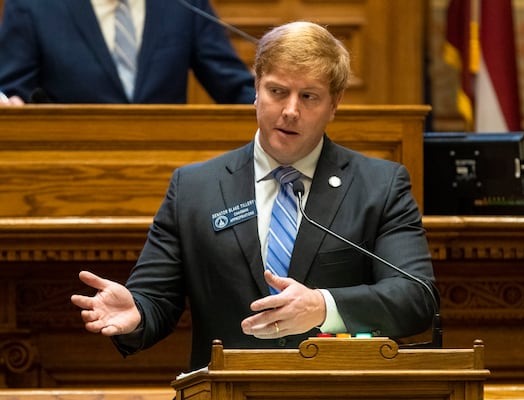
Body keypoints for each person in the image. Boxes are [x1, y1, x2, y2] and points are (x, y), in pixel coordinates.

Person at [71, 21, 437, 371]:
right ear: (257, 87)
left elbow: (415, 297)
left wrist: (323, 306)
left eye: (308, 96)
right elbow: (156, 301)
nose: (290, 111)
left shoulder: (379, 185)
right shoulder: (195, 187)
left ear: (334, 103)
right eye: (277, 91)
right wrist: (135, 313)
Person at [0, 0, 255, 105]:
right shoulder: (32, 6)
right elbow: (10, 93)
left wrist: (276, 102)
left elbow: (234, 87)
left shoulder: (184, 4)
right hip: (68, 170)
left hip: (169, 171)